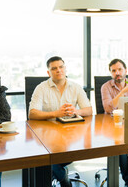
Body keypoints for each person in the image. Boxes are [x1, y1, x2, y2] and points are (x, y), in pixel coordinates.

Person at [28, 56, 92, 187]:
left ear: (65, 68)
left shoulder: (76, 87)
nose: (58, 70)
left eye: (61, 67)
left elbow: (89, 110)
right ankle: (63, 178)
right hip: (47, 139)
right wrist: (56, 113)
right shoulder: (41, 88)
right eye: (54, 68)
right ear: (48, 73)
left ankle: (58, 173)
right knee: (46, 158)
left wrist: (76, 111)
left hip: (71, 138)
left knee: (48, 162)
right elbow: (32, 113)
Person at [101, 59, 128, 187]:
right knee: (119, 145)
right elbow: (108, 109)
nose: (117, 73)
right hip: (113, 126)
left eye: (120, 69)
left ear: (126, 71)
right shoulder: (105, 87)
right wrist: (123, 91)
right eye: (114, 70)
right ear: (110, 73)